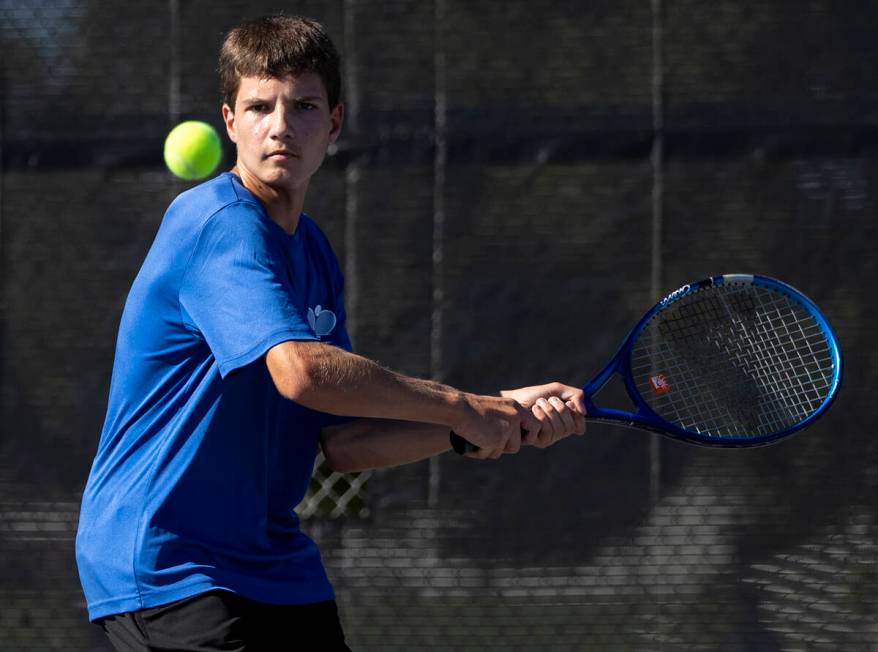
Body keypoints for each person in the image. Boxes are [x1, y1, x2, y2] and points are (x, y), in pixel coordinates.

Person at [75, 14, 587, 651]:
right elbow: (304, 373)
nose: (282, 126)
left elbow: (341, 443)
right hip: (171, 567)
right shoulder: (217, 224)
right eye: (260, 106)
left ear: (334, 123)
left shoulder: (311, 251)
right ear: (230, 122)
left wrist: (486, 418)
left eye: (304, 106)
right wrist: (463, 406)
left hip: (275, 566)